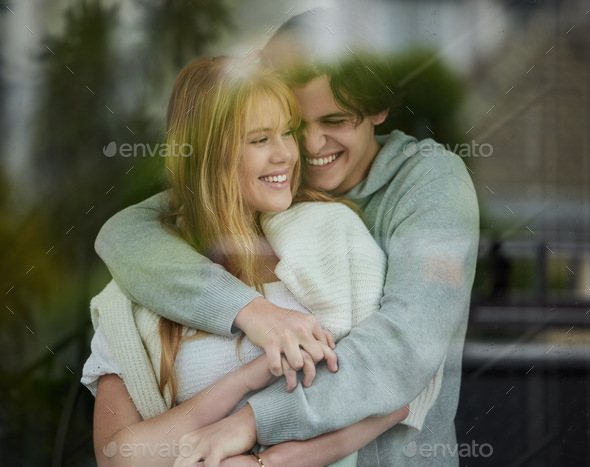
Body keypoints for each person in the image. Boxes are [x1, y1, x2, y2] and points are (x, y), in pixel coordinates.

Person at [95, 10, 479, 466]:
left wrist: (252, 425)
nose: (310, 147)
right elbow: (126, 233)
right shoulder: (272, 193)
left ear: (378, 109)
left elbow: (401, 352)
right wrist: (249, 311)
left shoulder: (429, 183)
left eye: (335, 121)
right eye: (295, 125)